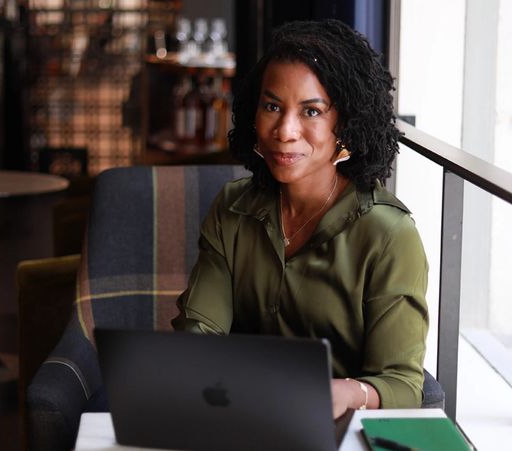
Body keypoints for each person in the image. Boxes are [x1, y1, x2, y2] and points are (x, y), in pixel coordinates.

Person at [171, 19, 428, 418]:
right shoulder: (233, 208)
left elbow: (403, 384)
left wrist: (347, 392)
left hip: (337, 430)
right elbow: (201, 330)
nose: (285, 131)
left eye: (311, 111)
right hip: (237, 416)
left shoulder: (389, 235)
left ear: (345, 124)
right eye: (272, 106)